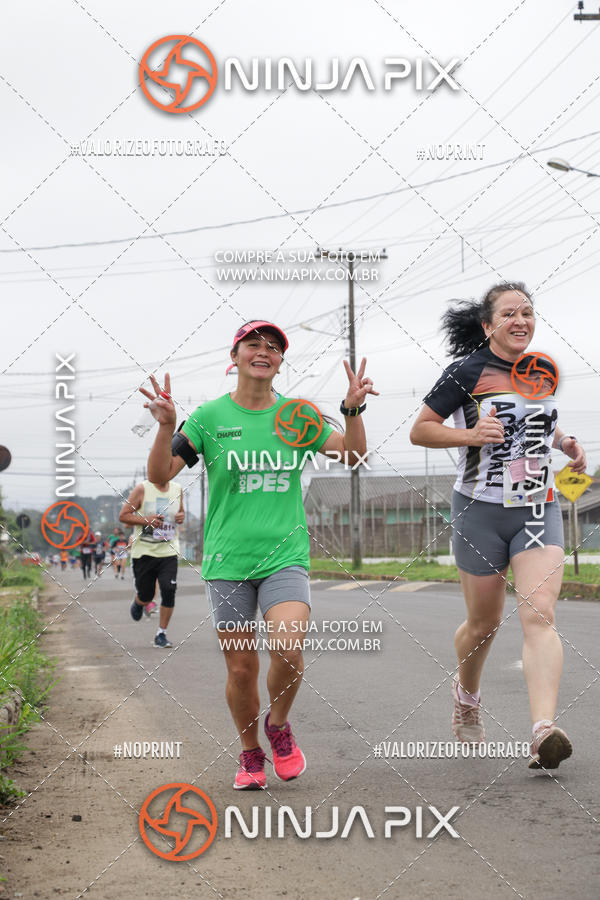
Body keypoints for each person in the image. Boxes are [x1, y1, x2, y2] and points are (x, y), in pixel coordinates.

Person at [141, 320, 377, 790]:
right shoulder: (208, 418)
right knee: (242, 668)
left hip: (284, 556)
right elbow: (162, 476)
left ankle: (278, 726)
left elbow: (352, 456)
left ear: (280, 362)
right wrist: (167, 427)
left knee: (288, 650)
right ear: (235, 357)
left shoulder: (298, 416)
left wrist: (353, 409)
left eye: (274, 346)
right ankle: (250, 753)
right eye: (254, 344)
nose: (264, 351)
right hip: (227, 563)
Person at [410, 283, 586, 770]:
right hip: (479, 510)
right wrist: (468, 434)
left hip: (536, 506)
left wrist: (565, 441)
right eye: (509, 313)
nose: (521, 320)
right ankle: (466, 694)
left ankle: (542, 730)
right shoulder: (465, 372)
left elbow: (539, 422)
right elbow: (420, 429)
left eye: (527, 312)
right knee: (483, 625)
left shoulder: (542, 370)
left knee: (539, 613)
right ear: (488, 326)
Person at [118, 480, 184, 648]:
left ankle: (161, 633)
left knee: (169, 590)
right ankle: (140, 602)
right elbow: (124, 517)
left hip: (168, 550)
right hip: (144, 552)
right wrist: (146, 519)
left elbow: (180, 513)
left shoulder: (177, 489)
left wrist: (180, 517)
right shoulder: (142, 489)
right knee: (147, 594)